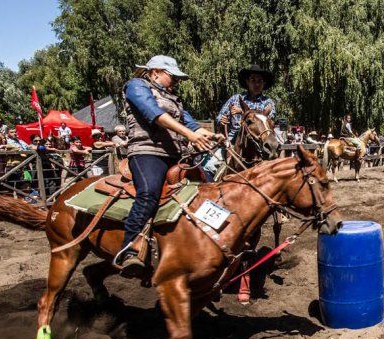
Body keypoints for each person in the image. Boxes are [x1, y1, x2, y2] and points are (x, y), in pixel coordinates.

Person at [116, 54, 219, 275]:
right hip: (147, 153)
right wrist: (190, 136)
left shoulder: (173, 98)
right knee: (149, 192)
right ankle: (130, 250)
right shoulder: (136, 86)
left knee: (209, 186)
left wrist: (211, 136)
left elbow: (191, 124)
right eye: (173, 77)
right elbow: (155, 115)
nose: (177, 82)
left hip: (175, 155)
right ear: (155, 73)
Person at [215, 64, 277, 178]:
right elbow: (219, 117)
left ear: (264, 84)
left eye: (260, 81)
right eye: (253, 80)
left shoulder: (268, 102)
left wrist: (242, 112)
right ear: (247, 82)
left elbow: (266, 119)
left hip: (259, 146)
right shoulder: (235, 98)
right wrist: (222, 120)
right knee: (210, 166)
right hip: (233, 143)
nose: (256, 84)